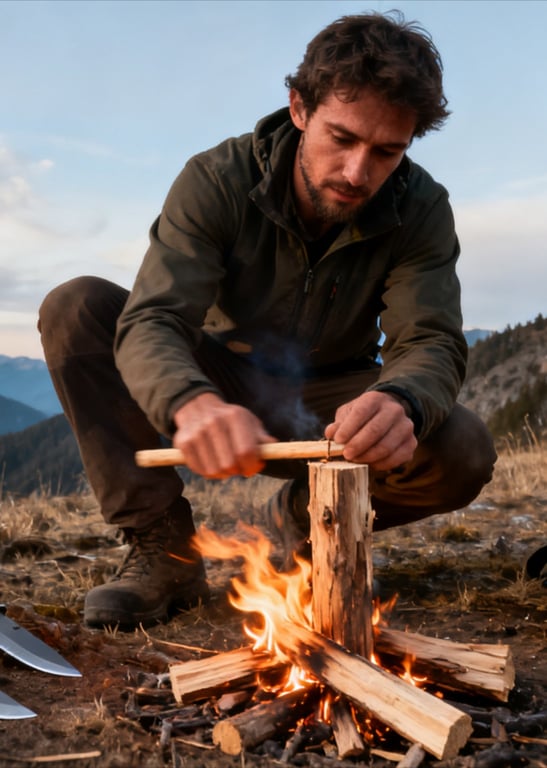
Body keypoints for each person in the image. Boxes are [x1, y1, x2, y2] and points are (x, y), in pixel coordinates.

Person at [38, 11, 497, 630]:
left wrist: (401, 400)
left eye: (387, 151)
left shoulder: (421, 208)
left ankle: (304, 524)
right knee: (76, 308)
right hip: (224, 379)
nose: (358, 173)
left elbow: (431, 339)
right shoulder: (217, 180)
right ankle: (163, 552)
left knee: (462, 447)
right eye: (342, 138)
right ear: (300, 108)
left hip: (338, 404)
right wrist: (189, 400)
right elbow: (155, 318)